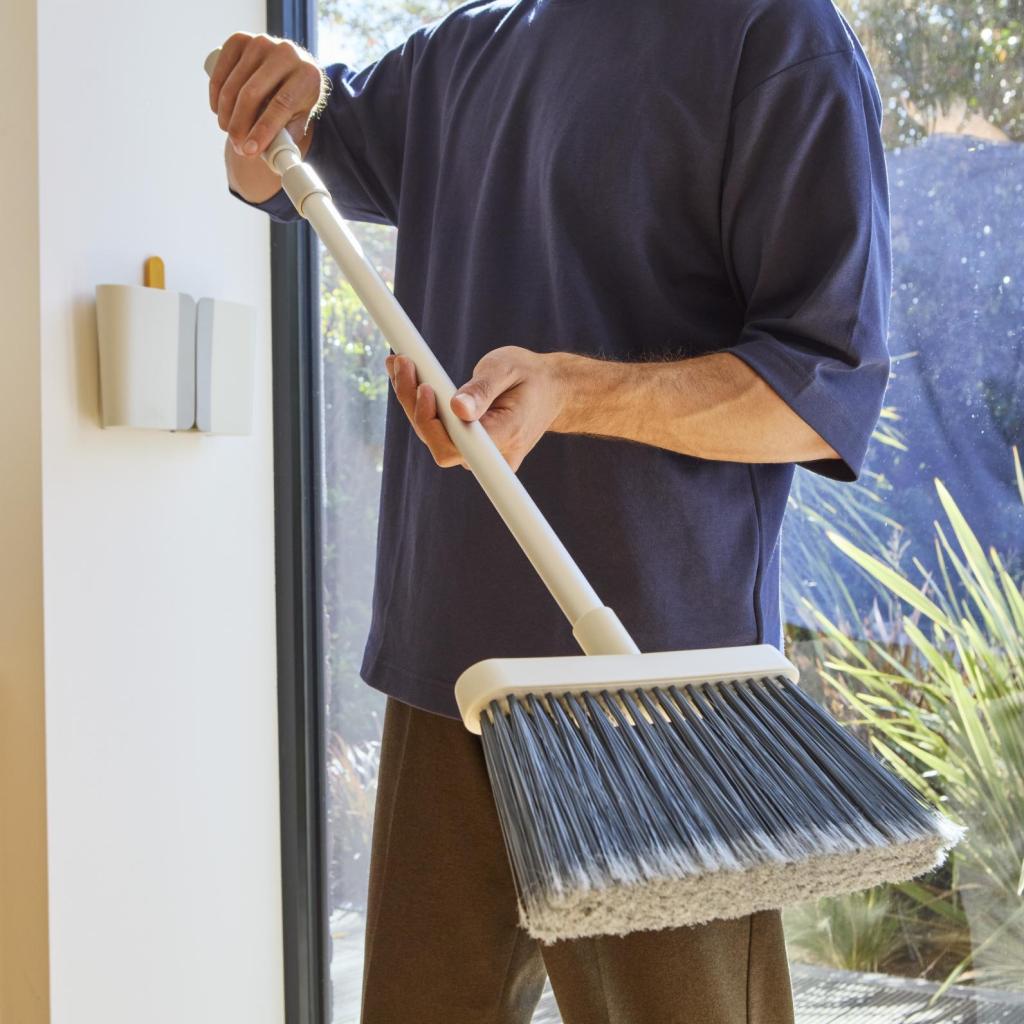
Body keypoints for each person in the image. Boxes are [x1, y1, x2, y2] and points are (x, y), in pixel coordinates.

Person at [209, 0, 891, 1019]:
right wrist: (261, 104)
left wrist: (574, 391)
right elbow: (286, 158)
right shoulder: (465, 52)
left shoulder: (776, 38)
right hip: (450, 679)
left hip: (658, 697)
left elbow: (819, 390)